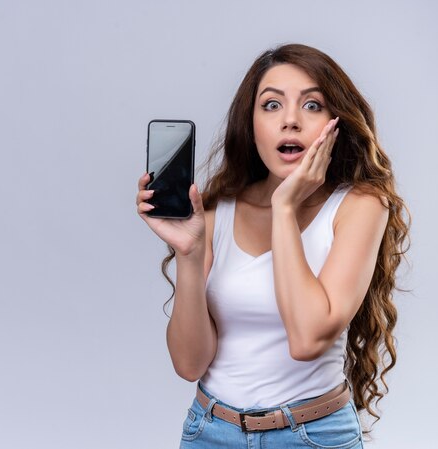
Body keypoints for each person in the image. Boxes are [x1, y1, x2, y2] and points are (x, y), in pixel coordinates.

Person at [136, 44, 409, 449]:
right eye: (271, 105)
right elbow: (189, 363)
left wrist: (284, 209)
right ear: (251, 125)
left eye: (312, 105)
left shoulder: (359, 206)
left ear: (336, 122)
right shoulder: (216, 213)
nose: (291, 121)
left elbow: (307, 339)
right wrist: (189, 255)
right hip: (210, 433)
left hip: (314, 436)